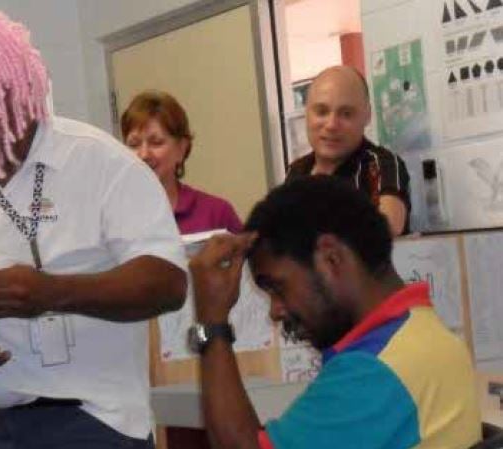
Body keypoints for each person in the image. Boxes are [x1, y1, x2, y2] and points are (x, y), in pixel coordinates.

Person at [0, 4, 187, 448]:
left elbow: (168, 282)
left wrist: (51, 292)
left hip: (91, 418)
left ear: (17, 89)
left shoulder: (101, 162)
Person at [189, 176, 480, 449]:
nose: (275, 312)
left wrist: (212, 322)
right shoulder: (425, 334)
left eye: (278, 287)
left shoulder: (375, 370)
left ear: (331, 258)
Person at [286, 65, 411, 236]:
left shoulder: (381, 164)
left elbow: (387, 228)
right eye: (321, 112)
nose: (331, 125)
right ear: (307, 114)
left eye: (346, 114)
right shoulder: (297, 171)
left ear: (367, 115)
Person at [121, 90, 242, 234]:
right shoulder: (112, 216)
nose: (144, 154)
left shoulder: (217, 213)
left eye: (156, 142)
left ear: (181, 149)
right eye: (134, 144)